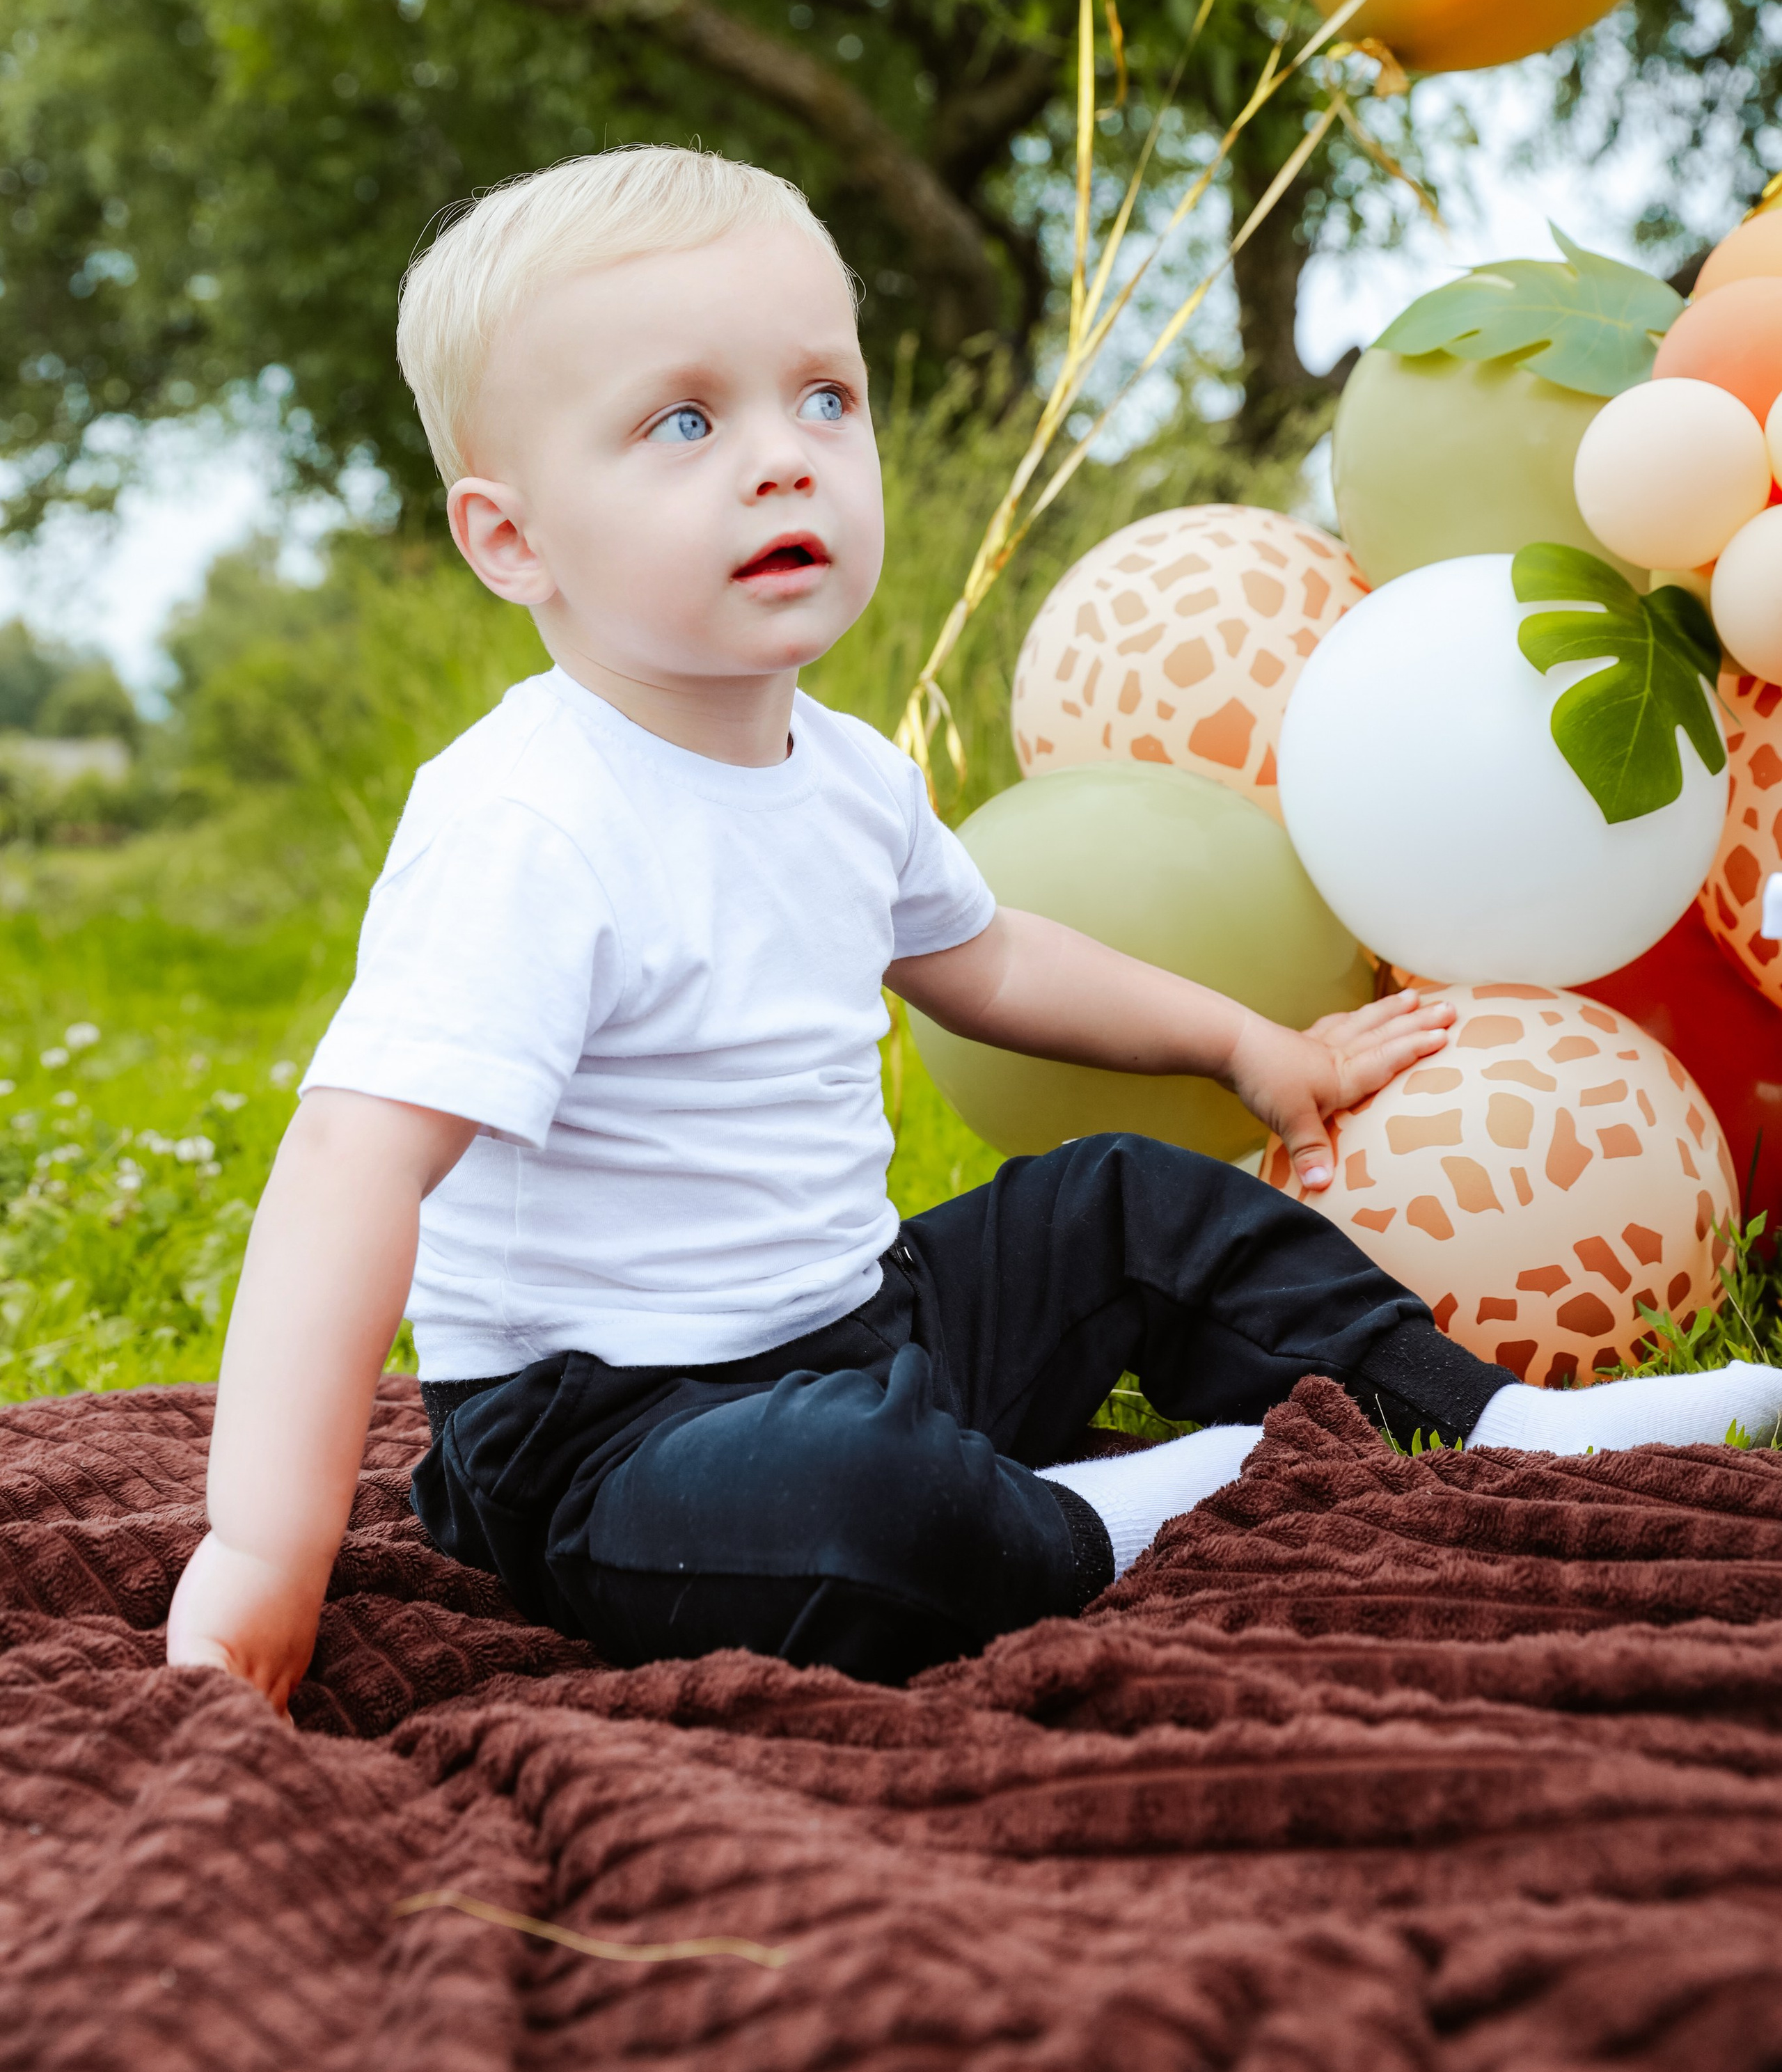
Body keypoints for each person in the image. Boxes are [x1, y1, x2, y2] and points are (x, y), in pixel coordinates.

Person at [166, 149, 1782, 1711]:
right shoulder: (531, 821)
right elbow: (353, 1165)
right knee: (844, 1507)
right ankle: (1104, 1516)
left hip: (869, 1319)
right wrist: (265, 1540)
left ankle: (1479, 1419)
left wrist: (1249, 1046)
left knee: (1136, 1202)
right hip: (613, 1437)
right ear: (510, 538)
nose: (784, 454)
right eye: (681, 420)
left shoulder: (846, 775)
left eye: (824, 396)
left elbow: (989, 961)